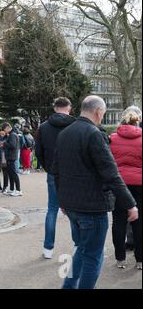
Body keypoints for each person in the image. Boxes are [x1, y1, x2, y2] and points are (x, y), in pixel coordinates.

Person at [53, 95, 138, 289]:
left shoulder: (65, 133)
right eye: (103, 113)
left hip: (72, 205)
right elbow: (111, 173)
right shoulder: (94, 134)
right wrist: (130, 203)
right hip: (91, 207)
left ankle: (68, 286)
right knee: (93, 257)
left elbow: (56, 170)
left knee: (82, 250)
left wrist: (62, 201)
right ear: (98, 112)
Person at [35, 97, 76, 259]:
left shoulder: (44, 127)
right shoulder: (75, 125)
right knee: (74, 209)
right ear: (69, 108)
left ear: (55, 108)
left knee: (52, 209)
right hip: (73, 172)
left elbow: (38, 151)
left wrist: (48, 167)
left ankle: (48, 248)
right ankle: (77, 245)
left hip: (53, 171)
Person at [110, 106, 142, 270]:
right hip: (139, 184)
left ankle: (120, 258)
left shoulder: (112, 138)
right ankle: (140, 260)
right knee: (139, 221)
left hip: (119, 184)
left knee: (119, 220)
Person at [0, 123, 22, 197]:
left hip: (11, 156)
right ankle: (11, 189)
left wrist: (4, 144)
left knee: (14, 173)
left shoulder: (12, 135)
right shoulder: (11, 134)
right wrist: (4, 143)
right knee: (11, 173)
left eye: (4, 129)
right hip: (10, 156)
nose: (4, 131)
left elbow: (13, 145)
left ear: (8, 127)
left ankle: (18, 190)